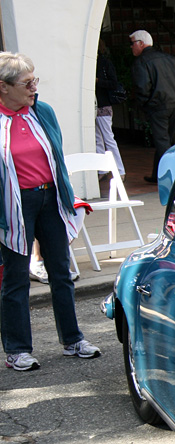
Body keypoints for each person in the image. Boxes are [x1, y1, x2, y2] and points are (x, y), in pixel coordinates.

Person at [0, 52, 101, 371]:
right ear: (3, 87)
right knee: (16, 279)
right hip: (14, 205)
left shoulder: (42, 111)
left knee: (61, 271)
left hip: (50, 199)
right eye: (26, 83)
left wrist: (68, 195)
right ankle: (17, 350)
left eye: (35, 80)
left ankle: (72, 340)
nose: (34, 88)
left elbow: (56, 157)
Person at [130, 30, 175, 183]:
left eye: (132, 43)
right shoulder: (168, 58)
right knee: (166, 139)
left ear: (141, 44)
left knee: (162, 142)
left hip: (158, 106)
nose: (131, 47)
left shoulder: (141, 62)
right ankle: (158, 175)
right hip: (174, 103)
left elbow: (143, 88)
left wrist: (144, 105)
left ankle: (170, 178)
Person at [95, 38, 125, 179]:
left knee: (107, 137)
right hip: (95, 104)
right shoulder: (98, 63)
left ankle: (120, 170)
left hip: (103, 104)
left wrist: (98, 81)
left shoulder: (104, 63)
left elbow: (113, 83)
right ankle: (102, 170)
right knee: (97, 138)